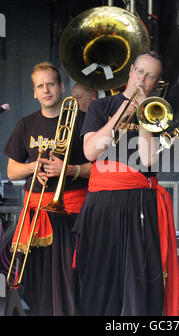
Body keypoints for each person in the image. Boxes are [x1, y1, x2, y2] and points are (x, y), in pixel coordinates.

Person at [72, 51, 179, 316]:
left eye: (151, 77)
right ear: (131, 71)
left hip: (140, 204)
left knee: (141, 283)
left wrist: (144, 117)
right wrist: (123, 110)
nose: (143, 80)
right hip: (102, 202)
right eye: (140, 72)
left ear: (157, 83)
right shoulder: (101, 107)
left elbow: (147, 159)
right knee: (98, 281)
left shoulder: (158, 114)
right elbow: (90, 152)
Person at [4, 62, 91, 315]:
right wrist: (34, 167)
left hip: (71, 212)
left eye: (50, 84)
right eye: (40, 86)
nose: (46, 90)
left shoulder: (84, 121)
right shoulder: (25, 125)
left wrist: (70, 169)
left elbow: (97, 167)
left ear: (61, 87)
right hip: (36, 212)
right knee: (38, 282)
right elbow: (11, 171)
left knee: (70, 281)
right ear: (34, 92)